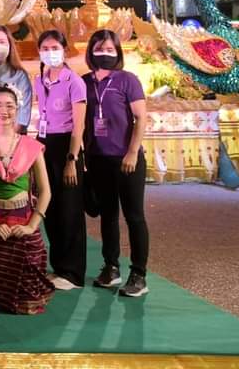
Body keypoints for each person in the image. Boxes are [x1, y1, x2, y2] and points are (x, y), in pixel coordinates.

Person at [0, 86, 55, 314]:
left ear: (18, 109)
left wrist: (31, 226)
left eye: (9, 105)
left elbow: (45, 191)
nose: (3, 111)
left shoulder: (31, 147)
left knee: (28, 298)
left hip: (23, 220)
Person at [84, 28, 150, 298]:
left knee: (134, 216)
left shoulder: (127, 80)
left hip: (126, 160)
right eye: (99, 49)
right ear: (91, 52)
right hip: (98, 158)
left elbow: (141, 118)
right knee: (108, 215)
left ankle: (139, 274)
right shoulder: (84, 82)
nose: (105, 54)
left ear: (118, 52)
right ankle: (111, 267)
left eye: (110, 49)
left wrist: (132, 152)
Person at [33, 28, 87, 290]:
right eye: (45, 48)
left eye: (55, 48)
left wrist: (71, 159)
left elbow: (79, 127)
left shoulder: (74, 82)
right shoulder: (39, 79)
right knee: (51, 209)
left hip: (67, 146)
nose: (50, 53)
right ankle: (59, 267)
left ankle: (74, 273)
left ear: (65, 50)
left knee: (70, 211)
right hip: (45, 145)